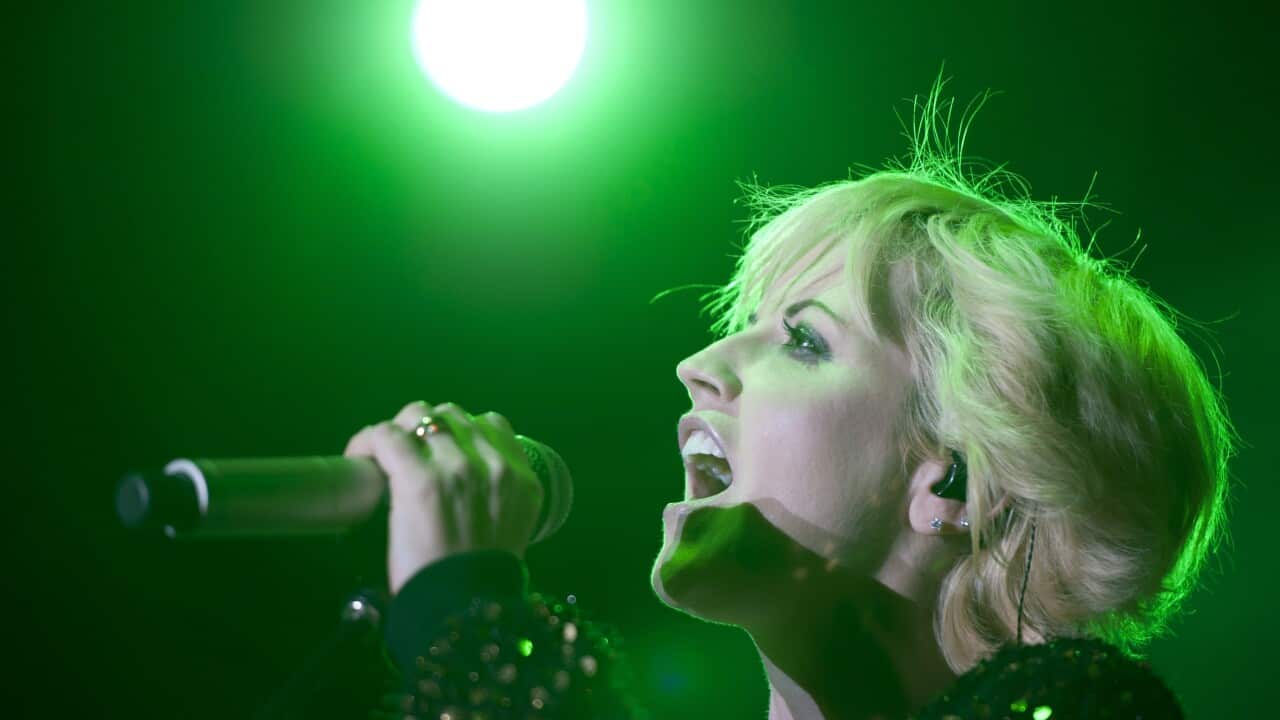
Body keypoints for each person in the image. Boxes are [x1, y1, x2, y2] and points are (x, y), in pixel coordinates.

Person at [340, 78, 1236, 720]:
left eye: (804, 340)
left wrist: (465, 614)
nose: (698, 365)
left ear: (951, 482)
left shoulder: (1089, 709)